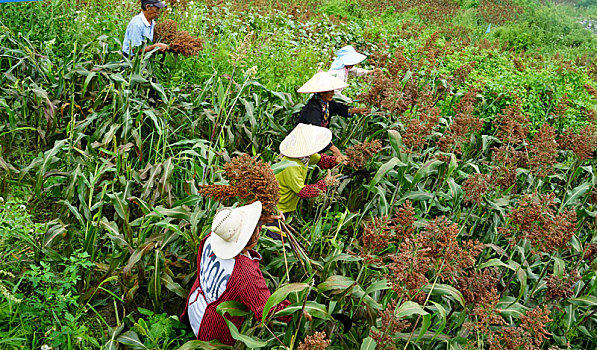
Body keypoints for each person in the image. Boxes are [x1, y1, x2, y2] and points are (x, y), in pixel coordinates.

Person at [181, 201, 294, 345]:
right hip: (211, 329)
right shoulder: (243, 271)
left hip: (195, 305)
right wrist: (295, 312)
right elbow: (267, 309)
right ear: (253, 238)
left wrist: (263, 219)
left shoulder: (211, 238)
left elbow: (233, 230)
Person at [271, 124, 342, 235]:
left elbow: (321, 160)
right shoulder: (290, 166)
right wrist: (325, 183)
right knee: (277, 240)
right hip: (278, 209)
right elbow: (303, 192)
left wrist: (336, 160)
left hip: (288, 207)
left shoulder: (304, 155)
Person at [296, 71, 369, 159]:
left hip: (317, 142)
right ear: (321, 92)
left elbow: (341, 109)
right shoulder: (312, 109)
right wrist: (335, 150)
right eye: (329, 91)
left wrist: (359, 110)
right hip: (304, 142)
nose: (332, 93)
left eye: (332, 90)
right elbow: (316, 132)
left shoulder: (327, 103)